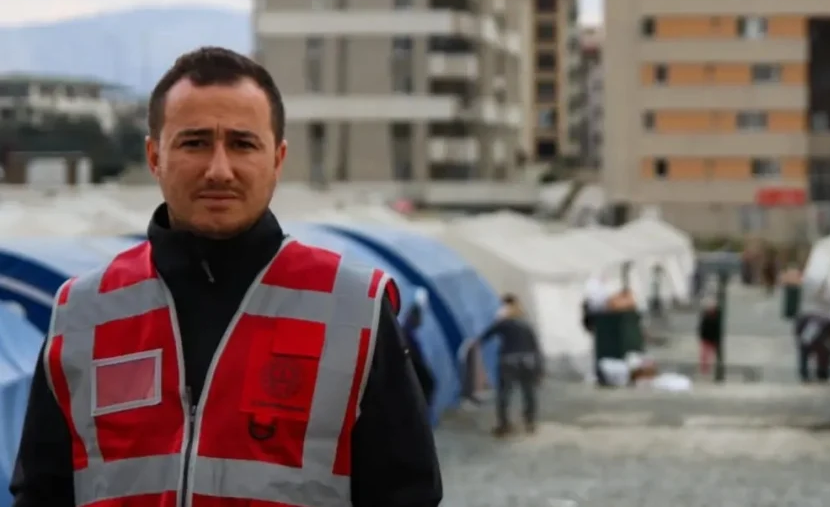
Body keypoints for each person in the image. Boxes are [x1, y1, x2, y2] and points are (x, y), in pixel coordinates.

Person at [9, 47, 442, 507]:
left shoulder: (355, 307)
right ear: (155, 156)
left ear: (277, 158)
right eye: (194, 142)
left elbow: (407, 495)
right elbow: (42, 491)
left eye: (242, 144)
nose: (219, 169)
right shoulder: (83, 311)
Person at [479, 294, 543, 437]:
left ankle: (504, 425)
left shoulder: (504, 322)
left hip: (509, 360)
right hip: (528, 360)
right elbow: (535, 346)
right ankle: (530, 422)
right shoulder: (526, 323)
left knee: (504, 393)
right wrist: (539, 367)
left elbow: (485, 336)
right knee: (529, 392)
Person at [697, 298, 722, 376]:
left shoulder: (717, 315)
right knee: (705, 355)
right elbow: (702, 327)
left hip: (713, 338)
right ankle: (705, 369)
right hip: (707, 338)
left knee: (713, 354)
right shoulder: (707, 315)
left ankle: (713, 368)